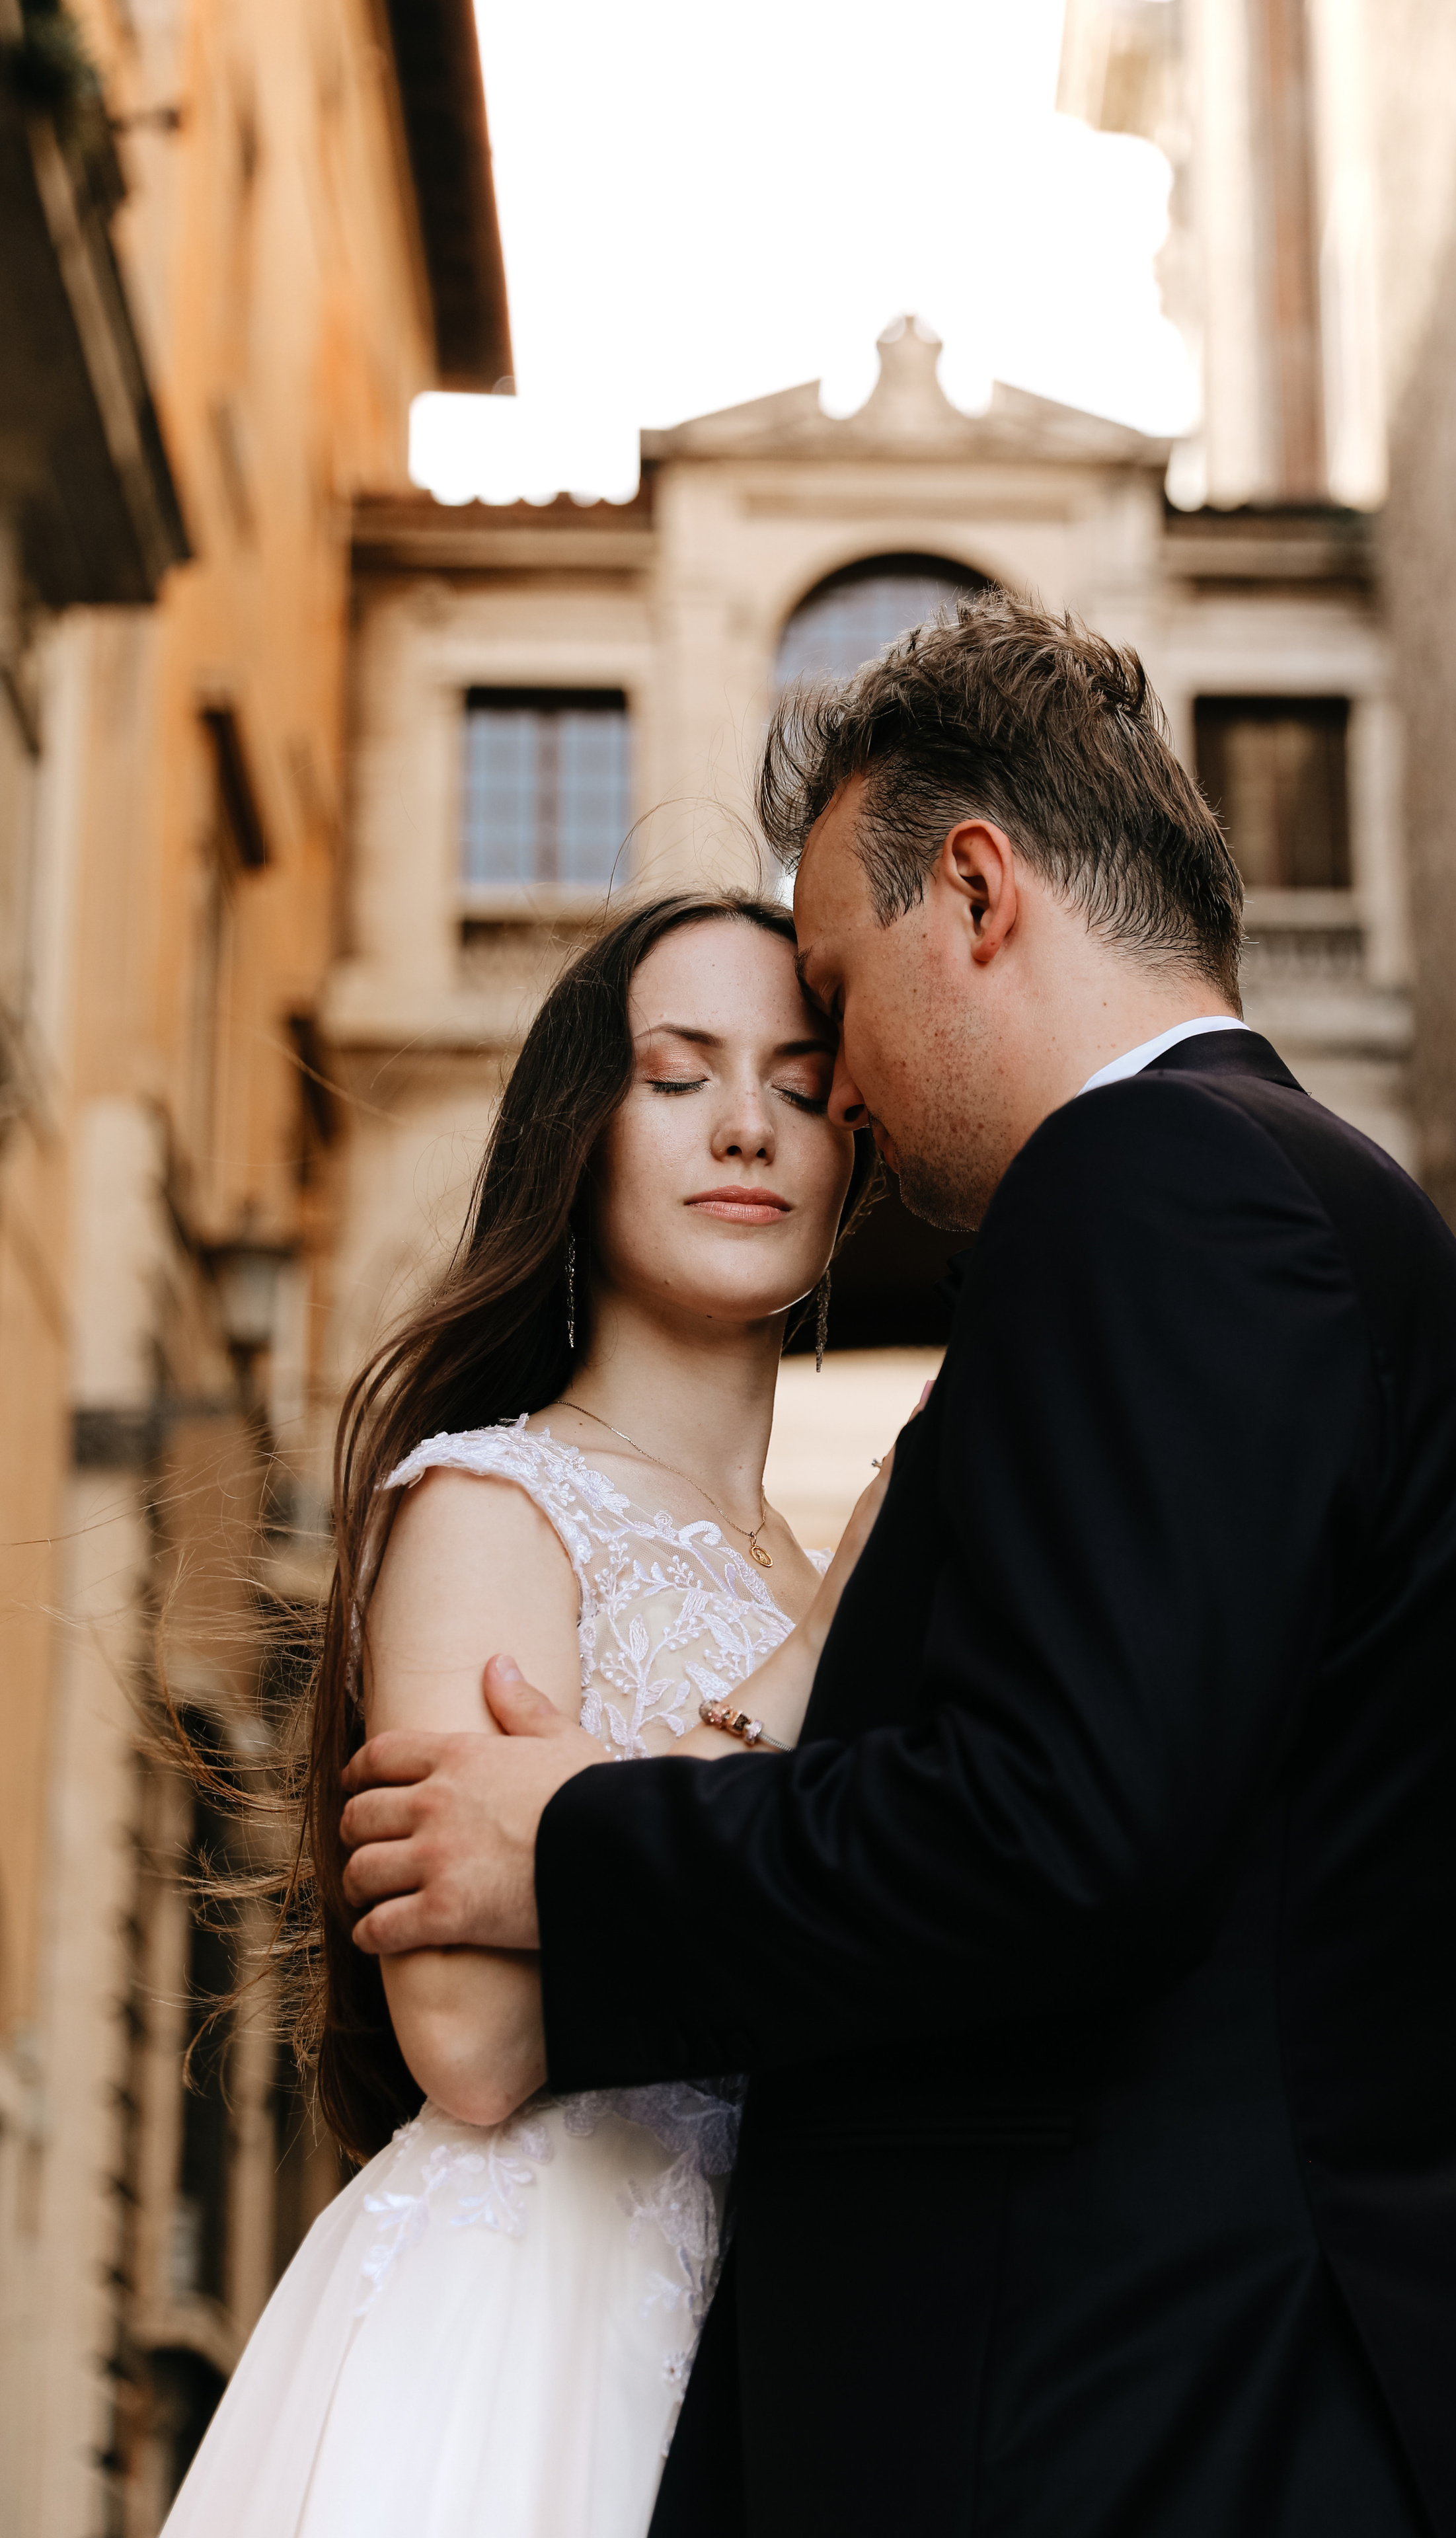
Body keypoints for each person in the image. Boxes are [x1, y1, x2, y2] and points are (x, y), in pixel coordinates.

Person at [343, 596, 1456, 2538]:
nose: (835, 1090)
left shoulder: (1153, 1189)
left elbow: (1057, 1827)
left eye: (833, 994)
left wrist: (568, 1837)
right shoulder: (1304, 1202)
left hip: (1158, 2434)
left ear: (977, 894)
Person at [161, 892, 888, 2538]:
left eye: (797, 1081)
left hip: (782, 2346)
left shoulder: (812, 1566)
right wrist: (797, 1678)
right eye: (676, 1074)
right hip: (536, 2341)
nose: (746, 1129)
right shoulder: (494, 1506)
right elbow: (475, 2045)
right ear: (585, 1130)